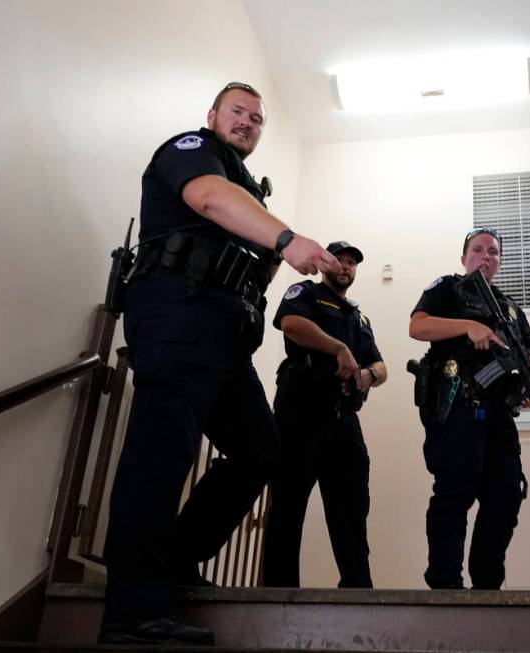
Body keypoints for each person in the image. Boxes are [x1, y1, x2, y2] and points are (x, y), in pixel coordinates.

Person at [100, 82, 341, 645]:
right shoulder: (191, 151)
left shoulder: (248, 187)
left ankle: (175, 559)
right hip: (177, 316)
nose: (248, 122)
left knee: (261, 449)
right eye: (238, 112)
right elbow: (208, 198)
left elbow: (249, 260)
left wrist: (297, 259)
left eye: (257, 118)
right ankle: (131, 609)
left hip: (222, 340)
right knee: (161, 454)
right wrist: (285, 237)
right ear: (212, 115)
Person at [409, 228, 530, 589]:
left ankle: (487, 586)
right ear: (464, 257)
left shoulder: (511, 308)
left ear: (500, 261)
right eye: (478, 250)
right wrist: (468, 326)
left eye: (493, 252)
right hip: (457, 404)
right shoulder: (448, 288)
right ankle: (445, 584)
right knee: (455, 491)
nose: (486, 256)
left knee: (505, 494)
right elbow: (418, 326)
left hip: (499, 412)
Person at [261, 240, 387, 589]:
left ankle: (358, 590)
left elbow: (380, 365)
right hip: (301, 410)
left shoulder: (358, 316)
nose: (345, 267)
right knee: (288, 502)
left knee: (352, 506)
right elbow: (290, 324)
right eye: (339, 260)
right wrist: (339, 348)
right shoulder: (307, 292)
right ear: (325, 263)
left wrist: (367, 375)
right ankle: (277, 591)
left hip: (343, 416)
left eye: (352, 263)